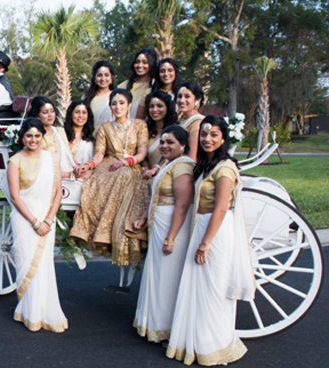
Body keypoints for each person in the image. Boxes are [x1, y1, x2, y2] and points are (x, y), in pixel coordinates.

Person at [166, 115, 255, 366]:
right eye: (204, 134)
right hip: (201, 227)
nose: (207, 139)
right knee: (198, 288)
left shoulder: (225, 168)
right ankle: (194, 343)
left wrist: (205, 243)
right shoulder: (208, 166)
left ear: (224, 139)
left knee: (213, 290)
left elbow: (220, 209)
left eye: (214, 134)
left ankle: (214, 346)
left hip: (215, 232)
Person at [70, 89, 150, 291]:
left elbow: (142, 152)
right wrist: (89, 165)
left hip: (131, 165)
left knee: (126, 175)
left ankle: (120, 236)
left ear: (129, 105)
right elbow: (99, 154)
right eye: (114, 104)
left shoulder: (140, 125)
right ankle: (102, 235)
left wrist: (128, 160)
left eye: (121, 103)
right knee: (94, 182)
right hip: (109, 165)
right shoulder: (105, 128)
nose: (117, 107)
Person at [133, 125, 194, 344]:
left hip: (173, 229)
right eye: (162, 142)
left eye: (171, 143)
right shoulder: (168, 165)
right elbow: (157, 196)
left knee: (168, 276)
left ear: (183, 146)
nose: (165, 146)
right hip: (159, 225)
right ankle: (154, 324)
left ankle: (167, 328)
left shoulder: (184, 166)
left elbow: (183, 205)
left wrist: (171, 238)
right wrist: (143, 216)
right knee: (157, 273)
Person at [7, 117, 68, 333]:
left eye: (37, 135)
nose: (33, 139)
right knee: (26, 263)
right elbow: (15, 197)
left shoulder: (52, 159)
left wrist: (49, 220)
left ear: (43, 137)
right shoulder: (15, 161)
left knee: (44, 266)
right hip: (25, 219)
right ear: (22, 138)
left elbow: (57, 193)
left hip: (46, 220)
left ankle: (45, 311)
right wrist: (35, 223)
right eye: (29, 136)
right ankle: (29, 312)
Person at [29, 96, 72, 179]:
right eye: (45, 112)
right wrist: (70, 175)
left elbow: (69, 157)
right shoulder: (34, 137)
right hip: (47, 180)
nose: (50, 115)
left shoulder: (60, 131)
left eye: (52, 111)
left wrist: (81, 168)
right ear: (37, 115)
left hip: (68, 177)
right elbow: (40, 169)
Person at [143, 91, 178, 177]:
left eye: (159, 106)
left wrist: (156, 168)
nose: (155, 110)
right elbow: (142, 153)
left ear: (168, 107)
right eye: (151, 106)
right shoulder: (145, 129)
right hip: (146, 176)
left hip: (167, 175)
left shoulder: (176, 130)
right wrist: (147, 169)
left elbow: (174, 155)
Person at [118, 48, 157, 121]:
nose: (140, 65)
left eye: (144, 62)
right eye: (137, 62)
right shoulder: (123, 86)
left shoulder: (155, 86)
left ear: (151, 64)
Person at [64, 100, 96, 180]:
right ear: (71, 114)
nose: (80, 116)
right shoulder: (61, 135)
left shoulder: (90, 141)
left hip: (82, 179)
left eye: (84, 112)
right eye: (77, 112)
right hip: (62, 176)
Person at [82, 60, 117, 131]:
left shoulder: (116, 97)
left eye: (106, 75)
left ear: (111, 77)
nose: (103, 79)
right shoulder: (86, 97)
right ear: (94, 78)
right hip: (90, 138)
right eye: (99, 75)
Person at [176, 81, 205, 161]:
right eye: (179, 96)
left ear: (198, 100)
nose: (182, 100)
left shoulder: (197, 122)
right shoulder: (179, 120)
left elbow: (192, 158)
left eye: (187, 96)